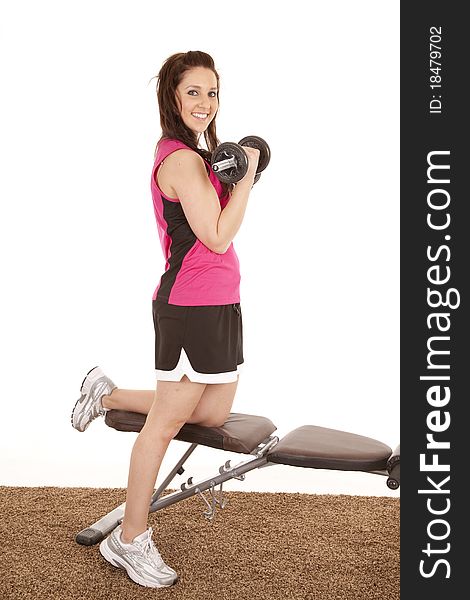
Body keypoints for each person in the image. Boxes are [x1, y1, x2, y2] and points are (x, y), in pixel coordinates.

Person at [70, 50, 260, 588]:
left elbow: (219, 227)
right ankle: (129, 540)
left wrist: (239, 170)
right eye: (193, 92)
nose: (205, 102)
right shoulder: (179, 160)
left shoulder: (202, 157)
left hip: (221, 302)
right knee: (166, 423)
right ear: (172, 97)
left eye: (213, 92)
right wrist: (245, 177)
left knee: (213, 411)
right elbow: (218, 235)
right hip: (189, 307)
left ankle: (104, 393)